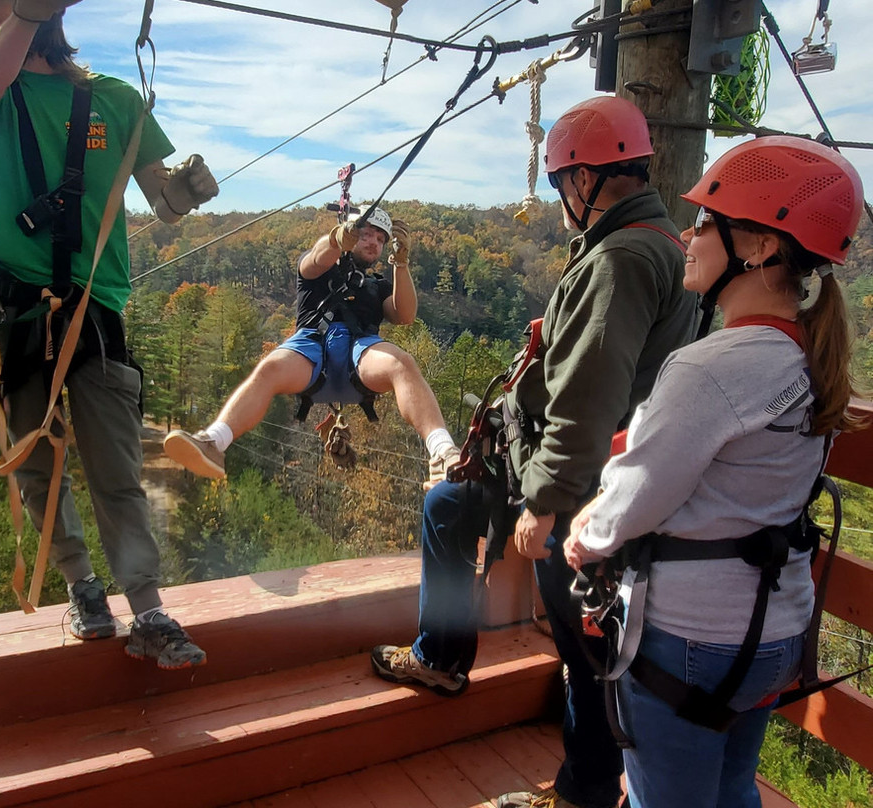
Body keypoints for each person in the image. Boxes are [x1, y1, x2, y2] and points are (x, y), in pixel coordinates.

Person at [370, 95, 699, 808]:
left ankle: (584, 791)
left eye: (559, 184)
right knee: (450, 504)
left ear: (583, 178)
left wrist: (546, 503)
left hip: (580, 480)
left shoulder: (621, 258)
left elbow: (588, 398)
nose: (559, 199)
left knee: (585, 646)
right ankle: (441, 657)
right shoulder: (642, 242)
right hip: (562, 460)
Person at [563, 136, 864, 808]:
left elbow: (638, 497)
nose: (687, 236)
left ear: (758, 246)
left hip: (692, 639)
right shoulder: (807, 356)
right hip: (776, 630)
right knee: (731, 789)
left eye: (704, 222)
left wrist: (586, 535)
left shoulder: (709, 366)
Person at [0, 0, 219, 668]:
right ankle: (83, 588)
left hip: (95, 308)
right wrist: (26, 15)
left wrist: (184, 192)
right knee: (36, 464)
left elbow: (161, 202)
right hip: (19, 308)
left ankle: (148, 611)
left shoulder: (115, 100)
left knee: (115, 467)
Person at [163, 207, 461, 487]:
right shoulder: (319, 269)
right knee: (270, 368)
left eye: (381, 239)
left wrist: (402, 263)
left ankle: (442, 453)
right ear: (350, 233)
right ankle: (214, 442)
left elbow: (404, 315)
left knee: (401, 363)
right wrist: (336, 240)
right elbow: (317, 258)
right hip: (311, 348)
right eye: (366, 233)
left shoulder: (378, 285)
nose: (374, 242)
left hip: (361, 353)